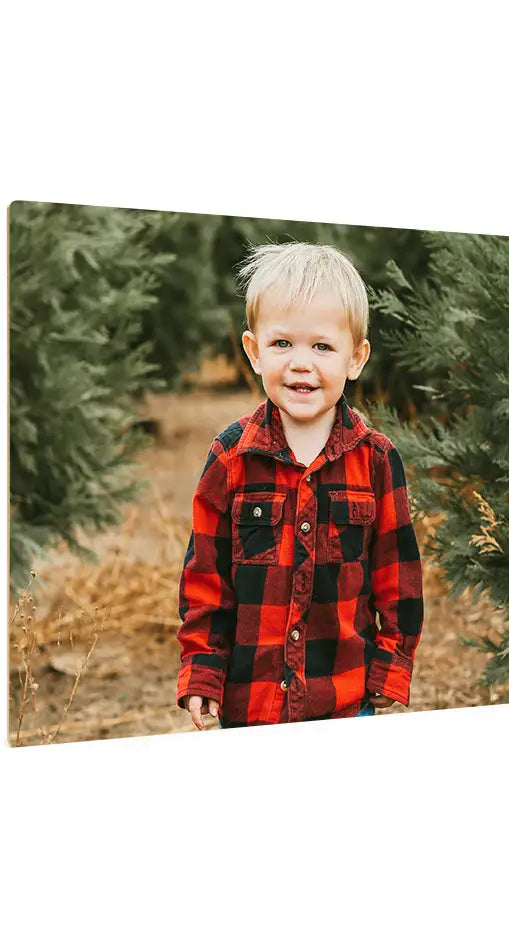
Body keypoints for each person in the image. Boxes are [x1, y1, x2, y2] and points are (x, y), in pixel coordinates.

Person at [176, 242, 423, 730]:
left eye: (323, 346)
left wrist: (390, 667)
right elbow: (206, 581)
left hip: (347, 701)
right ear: (253, 351)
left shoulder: (376, 461)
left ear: (356, 358)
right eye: (282, 344)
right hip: (251, 707)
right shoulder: (231, 459)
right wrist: (202, 674)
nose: (301, 363)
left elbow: (397, 579)